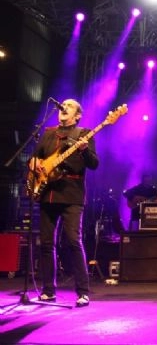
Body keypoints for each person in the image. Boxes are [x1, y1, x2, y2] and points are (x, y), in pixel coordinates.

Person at [29, 99, 99, 307]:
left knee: (73, 241)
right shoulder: (48, 133)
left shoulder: (84, 133)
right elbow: (34, 158)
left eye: (69, 106)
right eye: (63, 105)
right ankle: (48, 291)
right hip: (47, 193)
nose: (64, 107)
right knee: (46, 243)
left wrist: (84, 150)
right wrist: (35, 165)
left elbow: (94, 164)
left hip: (71, 194)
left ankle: (83, 292)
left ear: (77, 115)